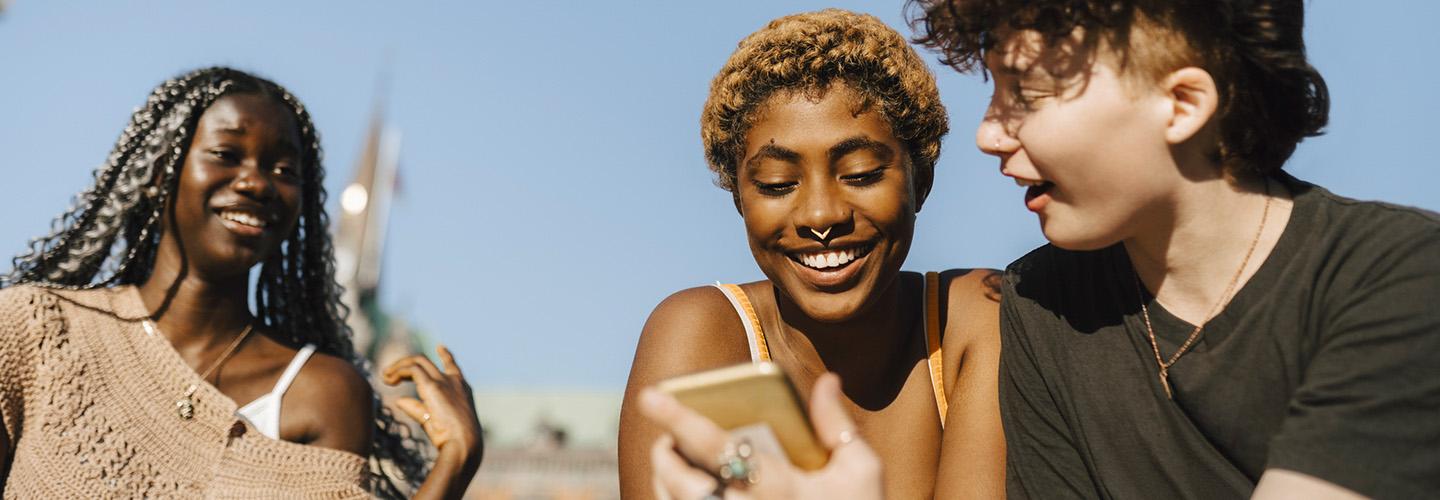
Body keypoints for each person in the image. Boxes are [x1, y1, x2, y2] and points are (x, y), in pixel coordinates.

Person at [651, 0, 1440, 498]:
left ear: (1182, 102)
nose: (988, 133)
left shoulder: (1398, 278)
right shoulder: (1037, 309)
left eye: (1025, 96)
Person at [0, 67, 482, 498]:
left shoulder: (321, 394)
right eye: (226, 154)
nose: (256, 183)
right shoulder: (39, 331)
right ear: (156, 174)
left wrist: (455, 462)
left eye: (284, 170)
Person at [620, 9, 1004, 500]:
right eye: (777, 184)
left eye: (861, 173)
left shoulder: (976, 319)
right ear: (740, 199)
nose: (820, 216)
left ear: (921, 180)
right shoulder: (703, 335)